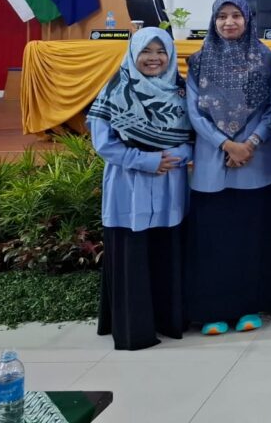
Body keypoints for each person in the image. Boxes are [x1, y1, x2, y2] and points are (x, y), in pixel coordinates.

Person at [88, 28, 194, 350]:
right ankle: (135, 330)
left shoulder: (181, 90)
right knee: (132, 253)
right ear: (133, 53)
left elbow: (195, 136)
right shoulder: (115, 90)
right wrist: (148, 161)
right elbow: (104, 143)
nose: (154, 58)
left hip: (170, 182)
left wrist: (176, 156)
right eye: (146, 51)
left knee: (165, 250)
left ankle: (170, 321)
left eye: (161, 52)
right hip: (129, 184)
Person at [184, 0, 271, 336]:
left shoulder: (267, 59)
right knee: (214, 239)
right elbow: (193, 111)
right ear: (213, 21)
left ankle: (250, 306)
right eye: (222, 16)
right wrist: (226, 143)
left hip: (256, 161)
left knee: (251, 238)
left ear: (248, 19)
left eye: (236, 16)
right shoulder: (198, 61)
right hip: (213, 161)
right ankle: (214, 309)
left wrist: (249, 143)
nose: (229, 22)